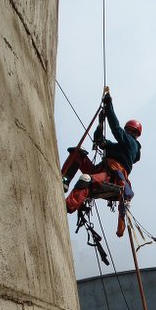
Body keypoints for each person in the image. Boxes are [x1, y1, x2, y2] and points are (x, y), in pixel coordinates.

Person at [63, 88, 142, 236]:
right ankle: (64, 180)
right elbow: (103, 143)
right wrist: (101, 130)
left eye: (130, 131)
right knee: (77, 154)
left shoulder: (132, 145)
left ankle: (66, 207)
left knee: (86, 179)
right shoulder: (121, 147)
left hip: (111, 177)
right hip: (101, 171)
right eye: (128, 131)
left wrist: (109, 105)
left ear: (134, 134)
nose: (128, 133)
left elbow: (116, 130)